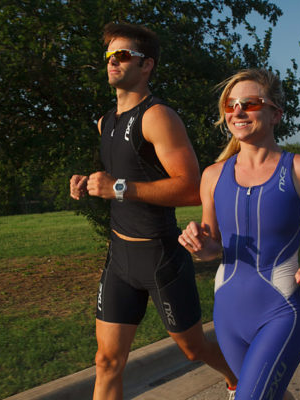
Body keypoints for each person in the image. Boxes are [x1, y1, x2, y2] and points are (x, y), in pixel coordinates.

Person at [69, 22, 237, 400]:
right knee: (106, 361)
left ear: (147, 65)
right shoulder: (105, 122)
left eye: (123, 55)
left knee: (193, 349)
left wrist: (118, 188)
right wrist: (90, 183)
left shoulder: (158, 117)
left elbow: (192, 188)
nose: (113, 62)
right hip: (119, 259)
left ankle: (236, 377)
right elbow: (124, 175)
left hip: (159, 258)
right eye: (110, 55)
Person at [178, 69, 300, 400]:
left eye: (250, 103)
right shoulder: (212, 176)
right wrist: (199, 244)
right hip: (228, 315)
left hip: (280, 312)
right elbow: (214, 248)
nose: (237, 111)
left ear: (275, 114)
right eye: (230, 104)